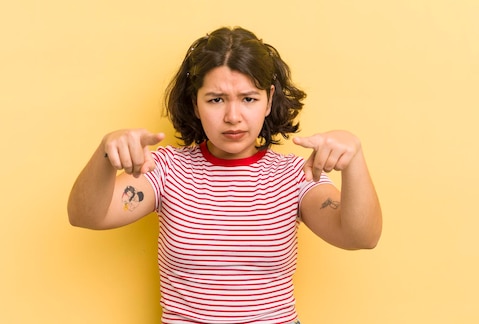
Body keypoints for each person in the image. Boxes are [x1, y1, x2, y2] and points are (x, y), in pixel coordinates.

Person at [67, 26, 382, 324]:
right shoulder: (165, 170)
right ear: (195, 103)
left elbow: (361, 237)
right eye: (216, 99)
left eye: (248, 98)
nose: (233, 117)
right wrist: (106, 154)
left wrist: (354, 161)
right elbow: (87, 216)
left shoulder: (295, 176)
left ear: (269, 100)